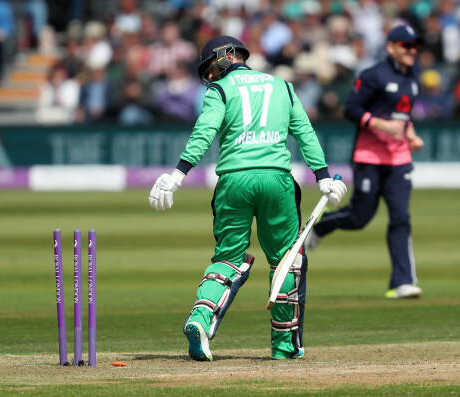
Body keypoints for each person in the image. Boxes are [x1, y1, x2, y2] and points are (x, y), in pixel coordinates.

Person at [147, 36, 346, 361]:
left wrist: (177, 175)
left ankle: (200, 319)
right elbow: (305, 132)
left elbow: (204, 131)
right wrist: (322, 175)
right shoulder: (282, 86)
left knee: (228, 258)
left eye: (210, 67)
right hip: (276, 181)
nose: (210, 76)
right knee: (287, 261)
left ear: (226, 56)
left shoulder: (221, 90)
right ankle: (284, 347)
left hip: (234, 182)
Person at [306, 24, 425, 299]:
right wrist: (380, 125)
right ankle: (320, 226)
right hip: (369, 157)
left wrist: (412, 135)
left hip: (399, 160)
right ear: (391, 47)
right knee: (360, 217)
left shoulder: (414, 78)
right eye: (406, 46)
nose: (412, 50)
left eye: (415, 46)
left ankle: (403, 282)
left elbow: (403, 117)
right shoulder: (373, 75)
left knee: (401, 218)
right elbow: (351, 109)